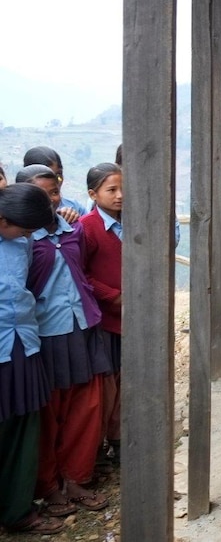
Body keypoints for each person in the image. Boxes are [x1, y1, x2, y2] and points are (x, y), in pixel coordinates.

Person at [15, 165, 111, 517]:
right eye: (41, 195)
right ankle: (49, 486)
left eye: (54, 193)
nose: (50, 201)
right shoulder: (21, 239)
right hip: (45, 333)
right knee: (49, 412)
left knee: (86, 408)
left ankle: (77, 478)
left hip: (83, 325)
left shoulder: (73, 231)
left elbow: (84, 272)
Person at [0, 183, 66, 535]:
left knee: (25, 427)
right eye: (22, 229)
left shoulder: (21, 240)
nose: (26, 235)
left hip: (23, 343)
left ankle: (18, 509)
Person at [79, 163, 124, 468]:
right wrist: (114, 296)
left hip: (130, 320)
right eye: (112, 190)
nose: (120, 196)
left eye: (123, 189)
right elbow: (80, 275)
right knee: (106, 386)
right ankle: (98, 449)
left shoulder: (131, 223)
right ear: (93, 194)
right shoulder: (88, 228)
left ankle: (121, 441)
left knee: (126, 384)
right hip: (106, 320)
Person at [23, 146, 88, 218]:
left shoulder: (74, 207)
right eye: (47, 178)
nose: (57, 182)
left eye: (59, 175)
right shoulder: (18, 212)